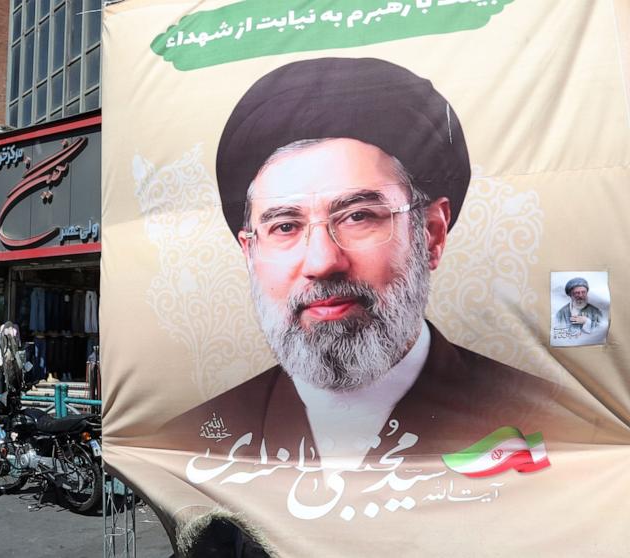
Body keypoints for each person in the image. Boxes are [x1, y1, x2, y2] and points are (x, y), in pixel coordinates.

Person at [158, 59, 614, 539]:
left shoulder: (556, 430)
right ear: (250, 252)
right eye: (285, 226)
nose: (322, 260)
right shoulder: (193, 442)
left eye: (358, 216)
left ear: (431, 234)